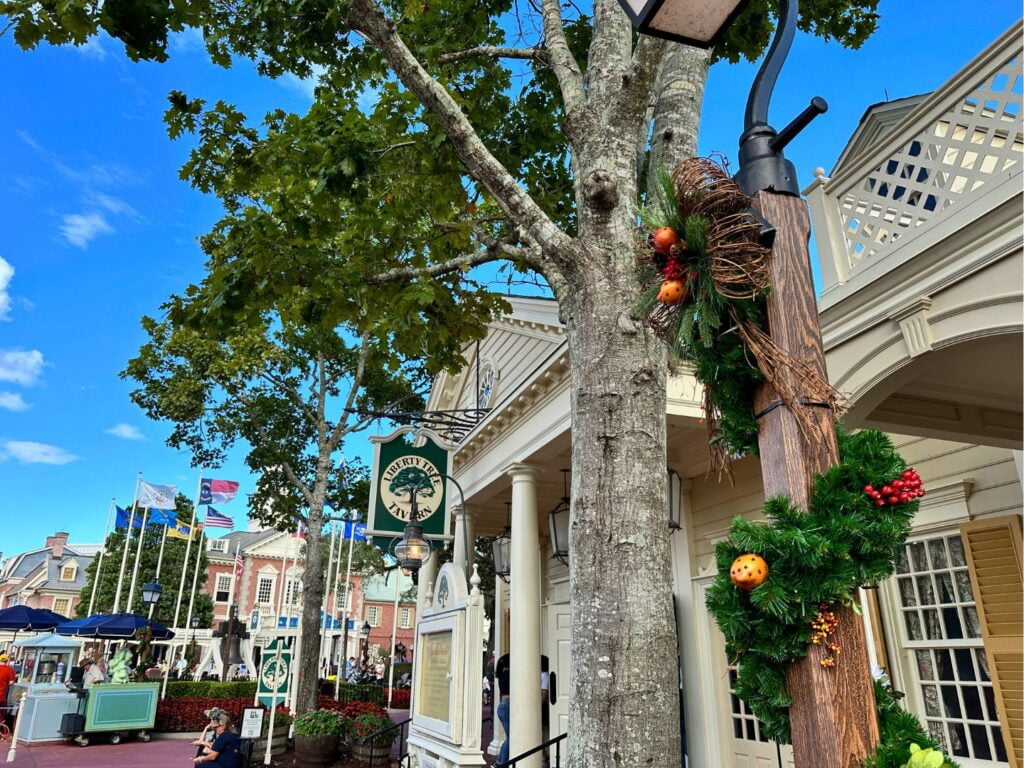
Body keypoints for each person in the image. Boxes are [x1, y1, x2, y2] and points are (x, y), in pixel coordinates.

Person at [495, 653, 510, 765]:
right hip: (506, 706)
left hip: (503, 707)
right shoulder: (507, 674)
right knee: (511, 737)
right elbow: (506, 695)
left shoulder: (502, 675)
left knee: (510, 737)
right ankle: (501, 762)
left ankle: (500, 761)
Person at [0, 654, 16, 727]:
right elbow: (11, 682)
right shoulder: (9, 669)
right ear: (7, 660)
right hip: (1, 696)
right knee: (1, 714)